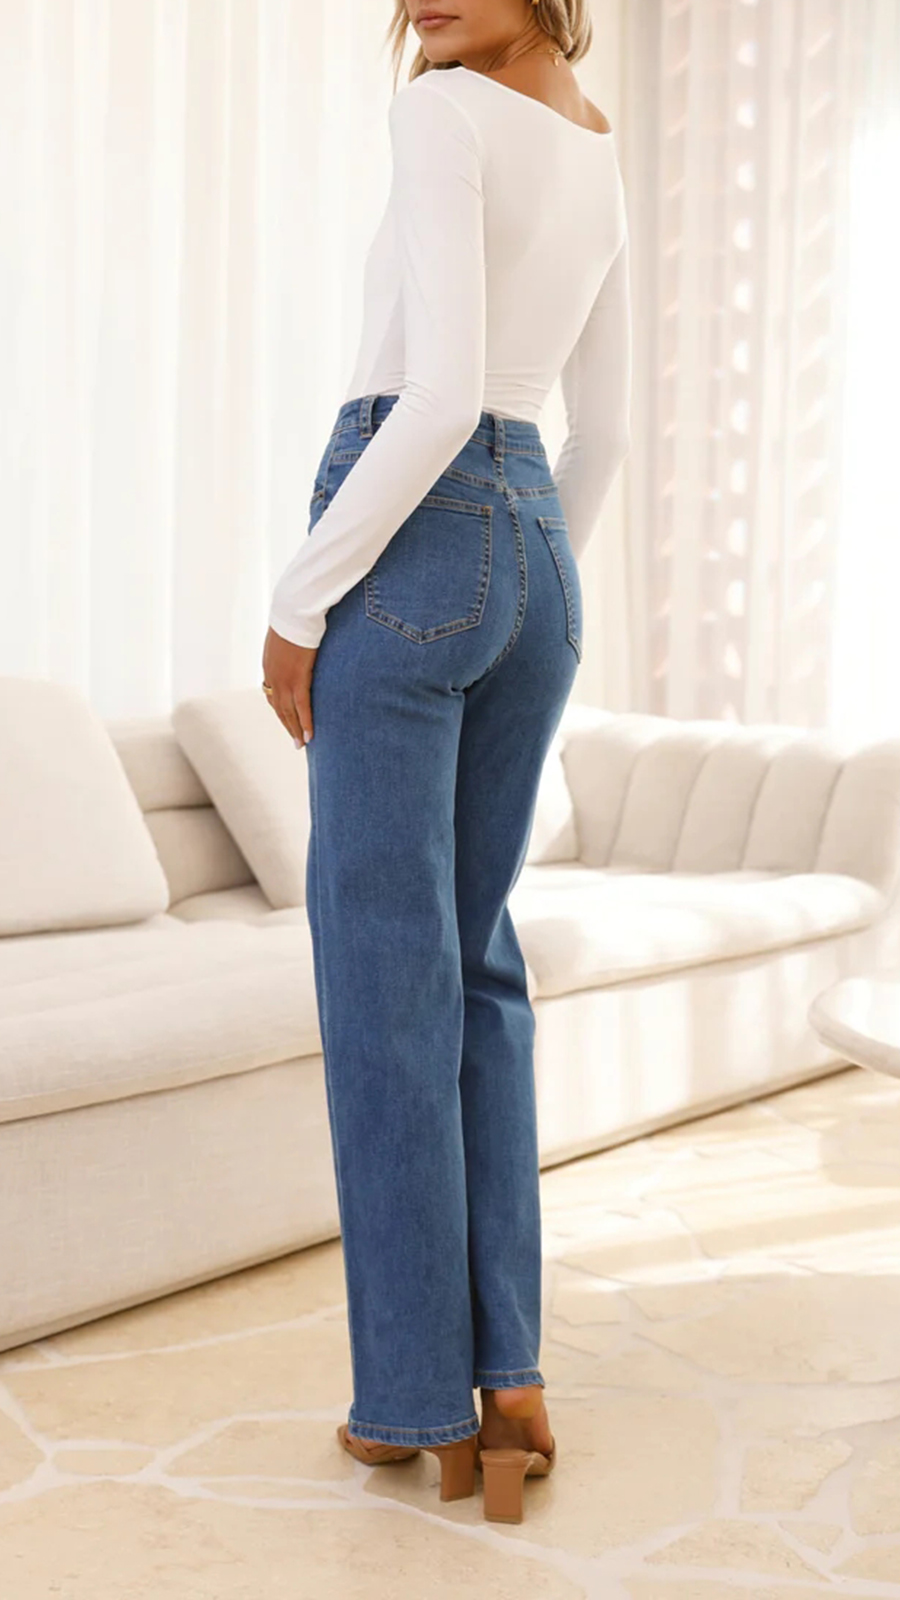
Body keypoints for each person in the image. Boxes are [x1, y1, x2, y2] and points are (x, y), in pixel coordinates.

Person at [260, 0, 631, 1525]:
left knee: (383, 982)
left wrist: (301, 603)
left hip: (412, 535)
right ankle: (512, 1382)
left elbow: (433, 399)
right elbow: (603, 432)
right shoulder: (596, 148)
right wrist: (526, 580)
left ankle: (412, 1399)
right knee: (477, 967)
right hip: (540, 548)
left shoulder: (441, 114)